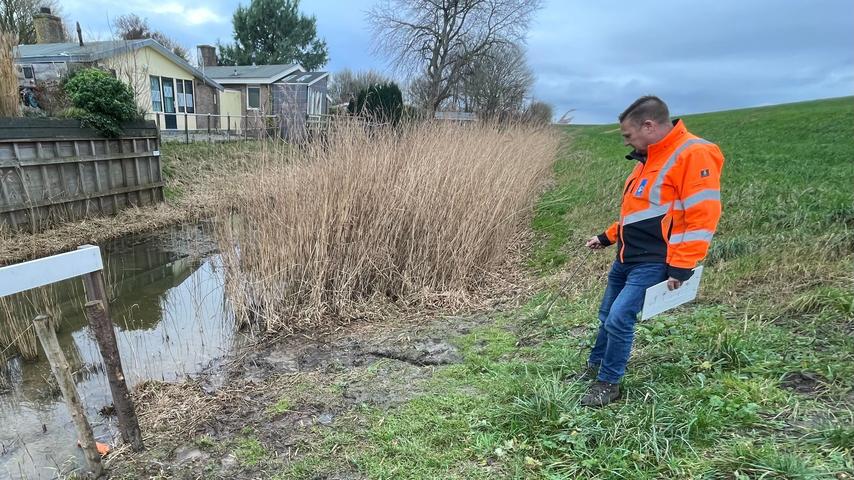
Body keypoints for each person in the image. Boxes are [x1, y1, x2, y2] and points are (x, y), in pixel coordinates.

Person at [578, 95, 724, 407]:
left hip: (654, 260)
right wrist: (606, 237)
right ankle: (595, 365)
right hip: (625, 257)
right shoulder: (647, 161)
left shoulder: (693, 153)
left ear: (649, 125)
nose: (626, 142)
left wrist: (682, 265)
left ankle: (608, 382)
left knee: (619, 318)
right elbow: (638, 215)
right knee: (606, 315)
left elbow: (702, 215)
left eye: (628, 135)